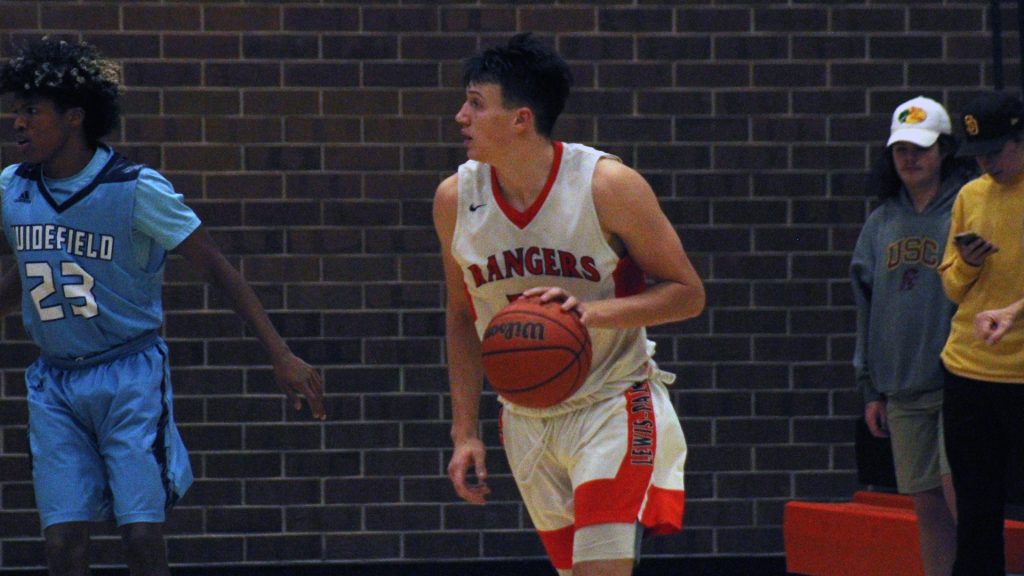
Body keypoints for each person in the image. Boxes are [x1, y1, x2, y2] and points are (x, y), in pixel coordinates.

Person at [0, 38, 326, 575]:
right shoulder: (13, 189)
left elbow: (218, 268)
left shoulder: (134, 189)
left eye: (32, 111)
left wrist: (280, 353)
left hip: (128, 373)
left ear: (75, 117)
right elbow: (31, 267)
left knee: (142, 534)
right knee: (62, 544)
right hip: (54, 381)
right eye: (17, 110)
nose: (18, 123)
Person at [433, 33, 705, 576]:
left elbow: (688, 294)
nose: (461, 115)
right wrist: (465, 432)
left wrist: (589, 314)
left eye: (476, 103)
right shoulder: (454, 200)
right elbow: (462, 317)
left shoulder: (607, 186)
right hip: (526, 417)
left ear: (521, 119)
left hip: (612, 402)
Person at [850, 95, 976, 576]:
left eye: (921, 148)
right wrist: (870, 387)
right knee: (927, 506)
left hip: (957, 380)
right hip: (901, 386)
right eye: (902, 148)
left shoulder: (964, 210)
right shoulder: (880, 224)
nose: (910, 157)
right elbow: (866, 307)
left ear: (943, 150)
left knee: (960, 493)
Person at [938, 90, 1024, 576]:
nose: (986, 163)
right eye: (978, 154)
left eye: (995, 150)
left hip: (1021, 375)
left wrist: (1014, 310)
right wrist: (967, 265)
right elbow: (950, 286)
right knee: (975, 512)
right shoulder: (972, 196)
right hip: (969, 371)